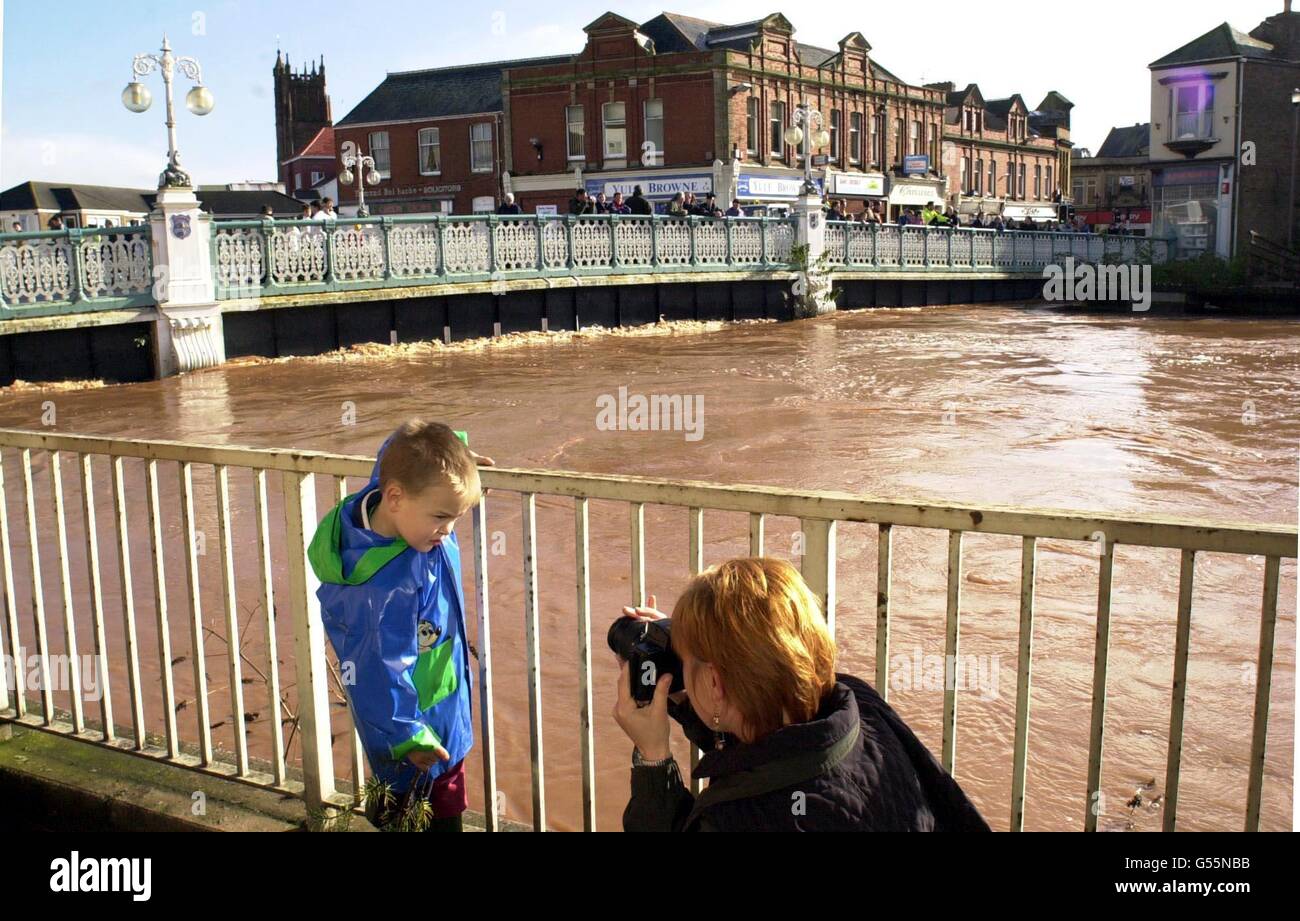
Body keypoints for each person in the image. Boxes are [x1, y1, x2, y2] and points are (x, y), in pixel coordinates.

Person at [614, 558, 991, 832]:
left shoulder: (742, 818)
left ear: (715, 685)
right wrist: (688, 672)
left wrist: (654, 758)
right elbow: (767, 744)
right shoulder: (858, 704)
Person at [309, 421, 495, 833]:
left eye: (456, 516)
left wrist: (456, 459)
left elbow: (398, 447)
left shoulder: (395, 508)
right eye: (443, 516)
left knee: (405, 804)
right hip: (422, 737)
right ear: (395, 498)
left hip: (436, 709)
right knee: (425, 817)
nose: (448, 530)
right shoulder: (382, 589)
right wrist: (409, 737)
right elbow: (376, 672)